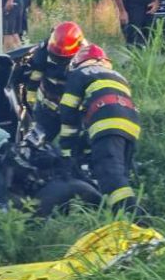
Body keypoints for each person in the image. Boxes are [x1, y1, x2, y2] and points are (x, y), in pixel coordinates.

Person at [58, 44, 141, 213]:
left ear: (78, 62)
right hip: (131, 123)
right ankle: (113, 212)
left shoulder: (79, 73)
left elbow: (67, 109)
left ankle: (134, 217)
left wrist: (66, 149)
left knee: (109, 173)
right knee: (121, 173)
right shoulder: (118, 76)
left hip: (107, 120)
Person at [25, 21, 86, 144]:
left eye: (64, 58)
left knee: (72, 145)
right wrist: (31, 97)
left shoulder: (86, 57)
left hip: (73, 111)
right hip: (47, 108)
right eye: (56, 56)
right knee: (36, 143)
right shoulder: (43, 50)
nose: (59, 60)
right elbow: (35, 74)